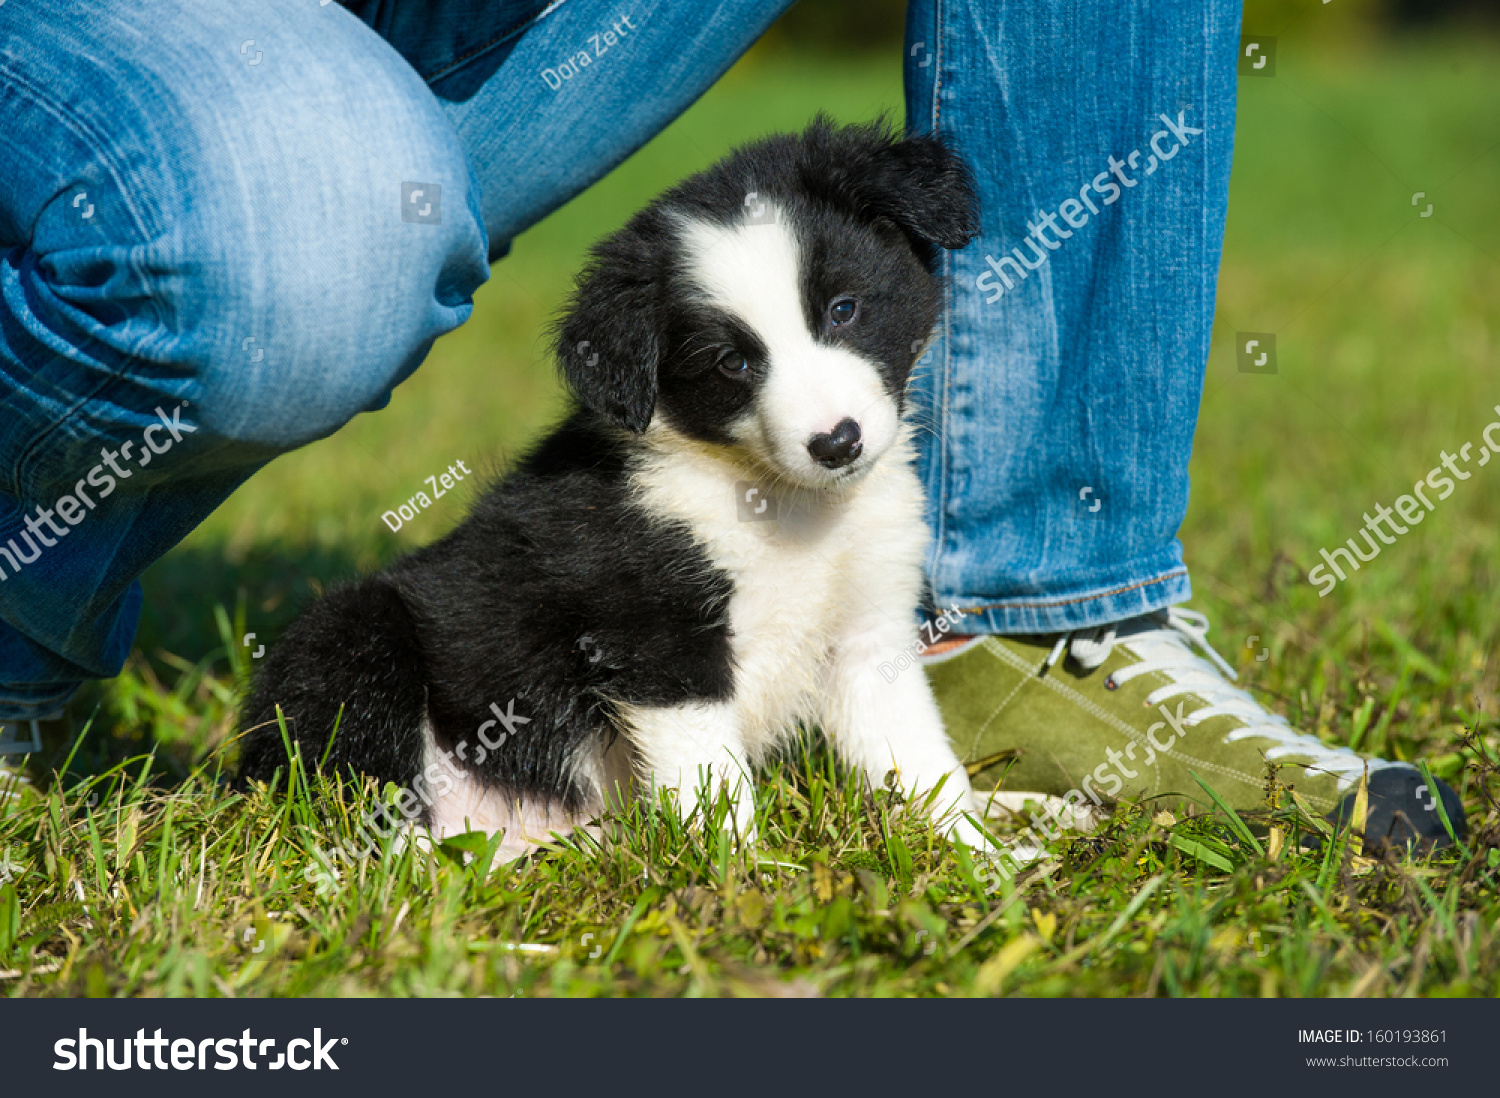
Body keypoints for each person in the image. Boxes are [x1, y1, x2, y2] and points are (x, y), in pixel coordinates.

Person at [0, 0, 1464, 847]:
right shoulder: (658, 488)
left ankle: (1046, 609)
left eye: (839, 321)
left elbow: (857, 656)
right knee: (351, 643)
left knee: (881, 637)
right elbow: (662, 654)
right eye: (737, 360)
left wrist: (942, 830)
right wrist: (721, 852)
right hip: (475, 737)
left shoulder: (840, 413)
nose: (820, 412)